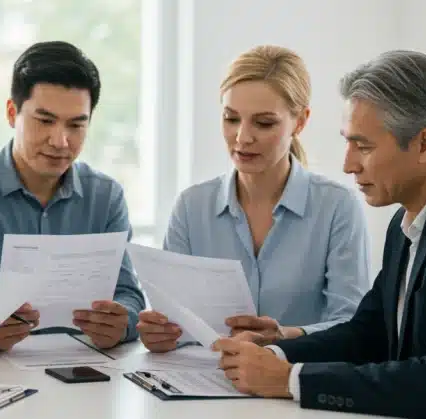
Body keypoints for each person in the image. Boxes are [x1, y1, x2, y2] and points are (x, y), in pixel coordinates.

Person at [212, 50, 426, 418]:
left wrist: (290, 380)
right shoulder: (407, 220)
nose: (348, 164)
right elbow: (368, 333)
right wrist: (277, 351)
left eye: (363, 146)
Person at [137, 45, 370, 352]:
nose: (242, 138)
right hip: (203, 384)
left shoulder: (338, 207)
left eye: (263, 123)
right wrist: (160, 334)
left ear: (300, 122)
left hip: (295, 386)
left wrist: (284, 336)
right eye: (231, 118)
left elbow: (352, 326)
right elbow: (176, 321)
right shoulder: (191, 207)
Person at [0, 40, 146, 351]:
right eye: (45, 121)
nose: (60, 141)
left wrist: (122, 323)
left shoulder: (106, 196)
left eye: (76, 125)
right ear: (11, 112)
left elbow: (128, 293)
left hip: (85, 365)